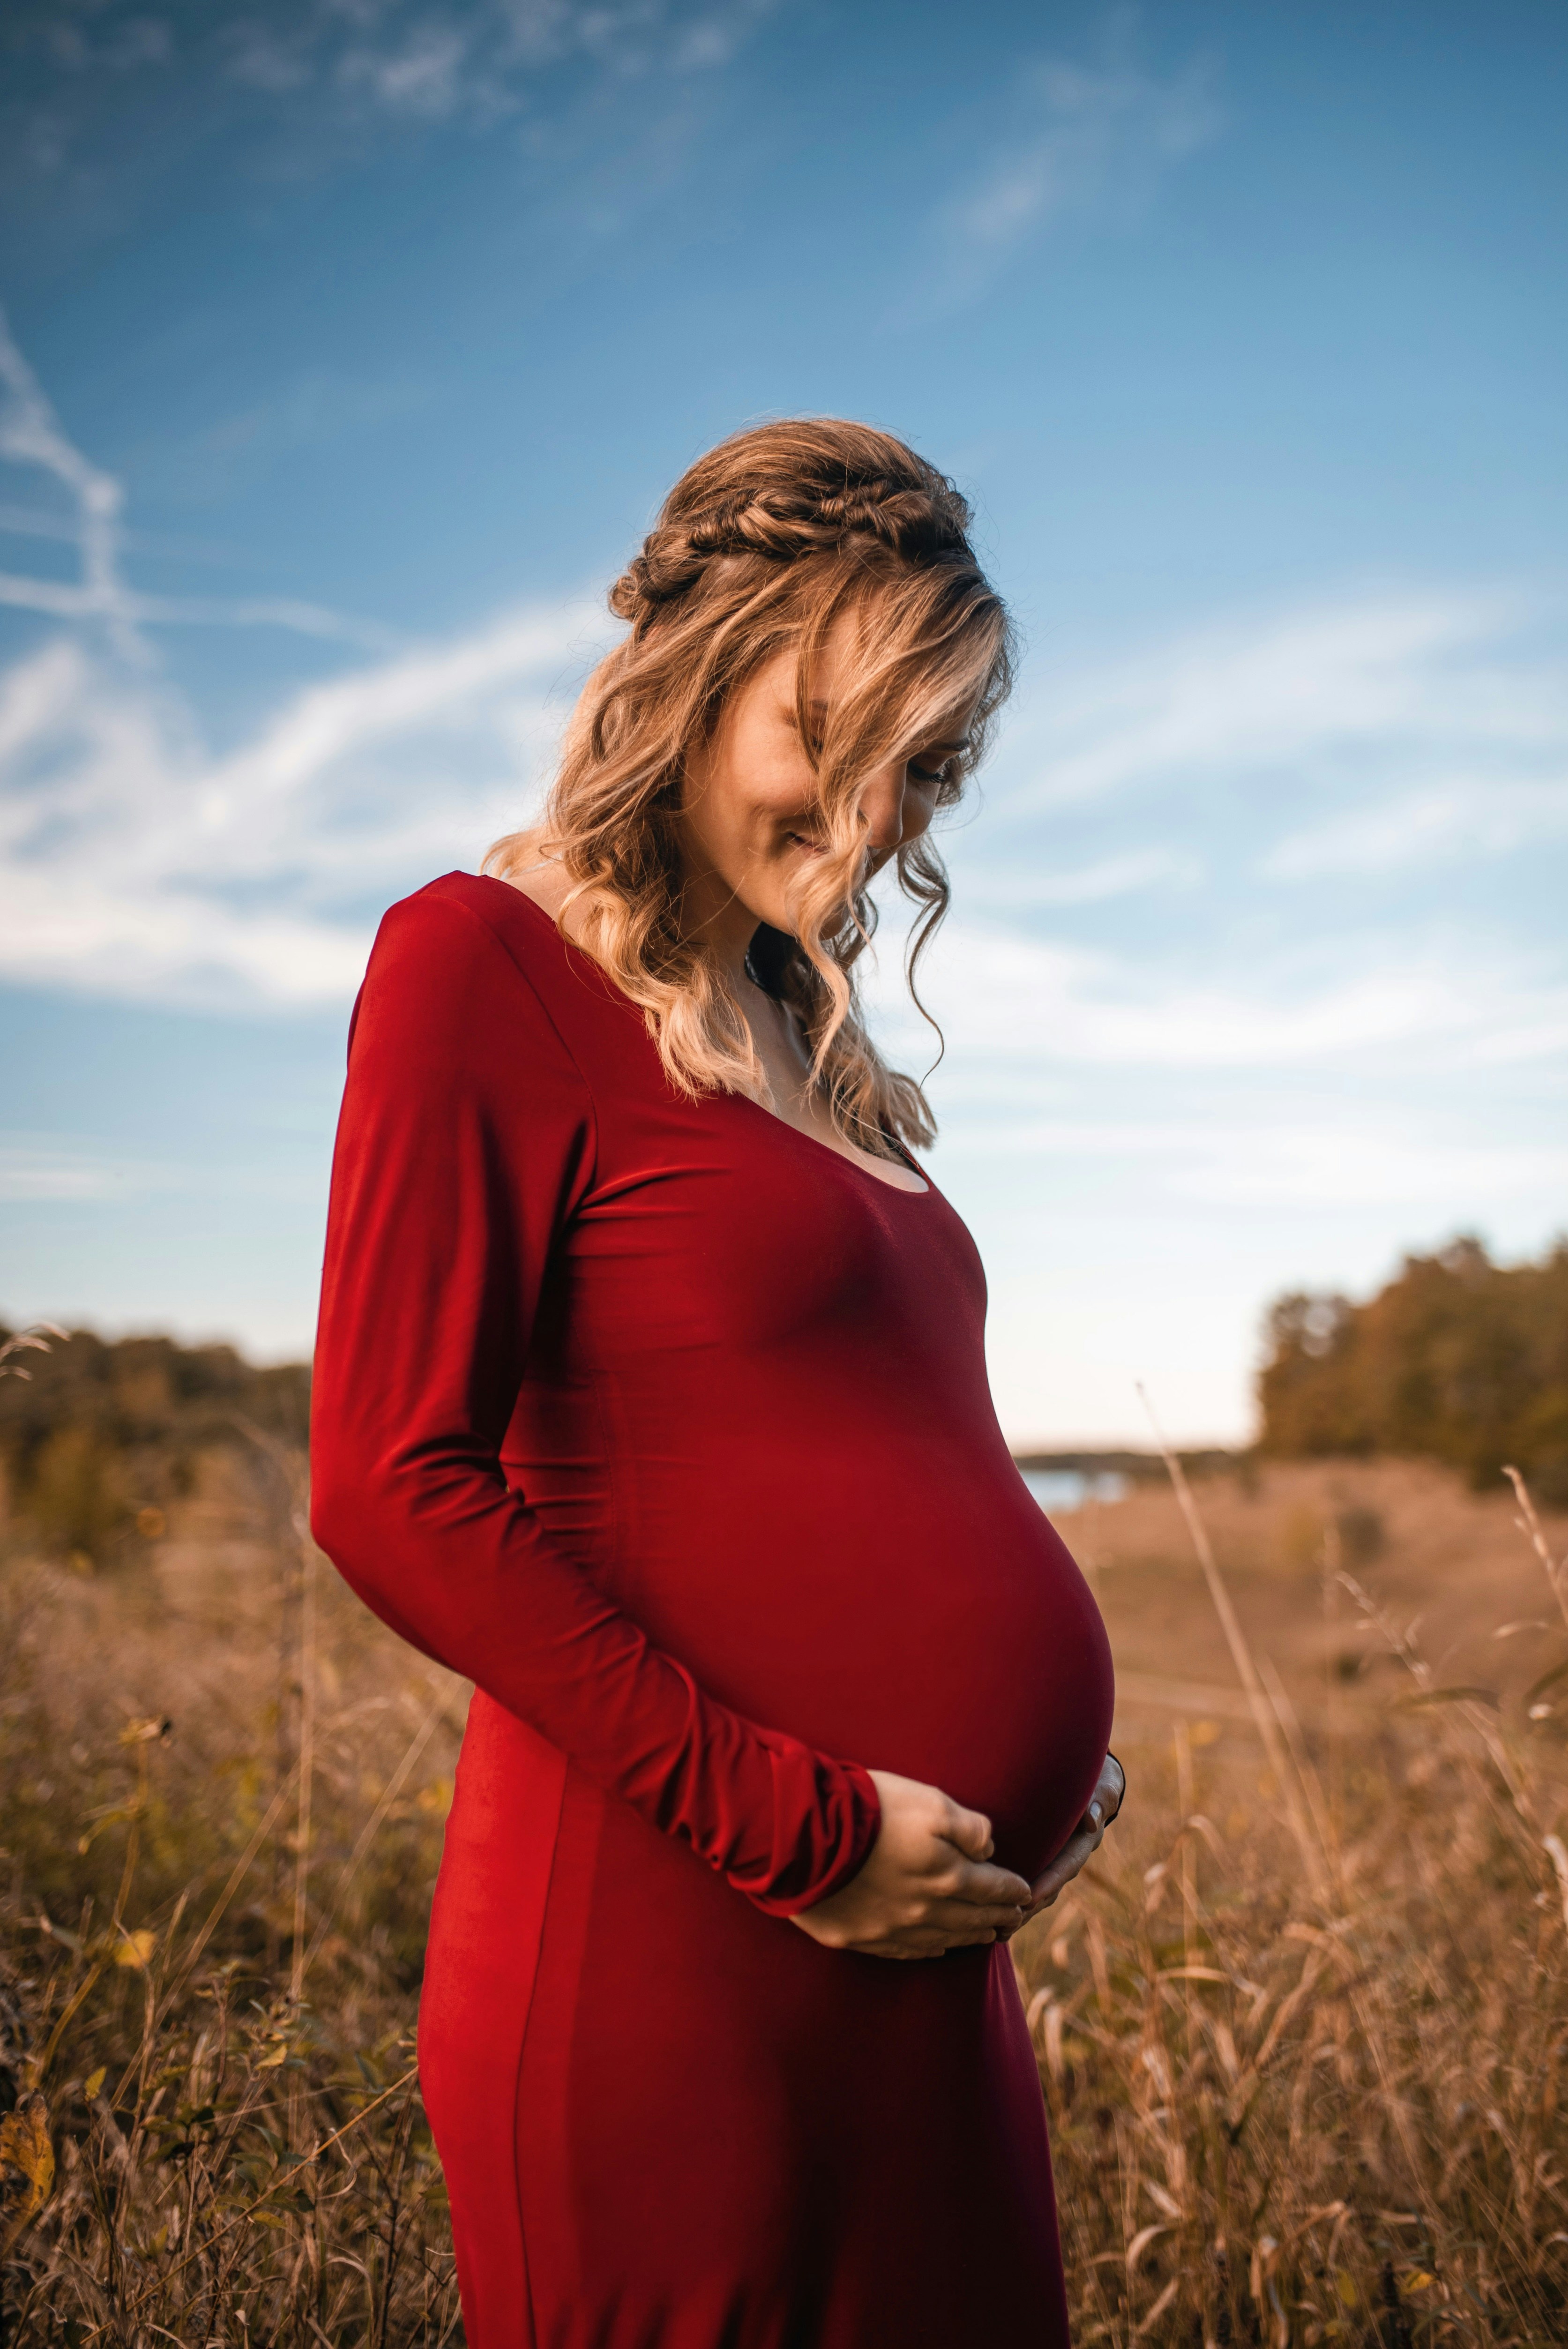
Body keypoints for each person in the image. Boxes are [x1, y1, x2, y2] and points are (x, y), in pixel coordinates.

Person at [310, 418, 1124, 2349]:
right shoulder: (478, 965)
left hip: (925, 1963)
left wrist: (1049, 1758)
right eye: (825, 743)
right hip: (682, 1942)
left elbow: (871, 1447)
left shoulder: (795, 1031)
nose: (868, 823)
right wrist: (804, 1828)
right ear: (693, 677)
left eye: (921, 771)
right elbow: (389, 1482)